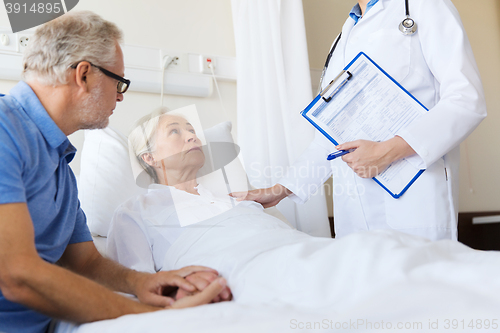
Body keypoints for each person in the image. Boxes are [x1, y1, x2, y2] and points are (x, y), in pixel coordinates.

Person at [0, 12, 229, 333]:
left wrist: (143, 281)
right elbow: (16, 273)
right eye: (118, 81)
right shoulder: (5, 128)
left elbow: (85, 261)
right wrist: (150, 317)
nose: (121, 95)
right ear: (83, 75)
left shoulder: (59, 165)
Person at [231, 0, 487, 241]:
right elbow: (330, 139)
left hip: (414, 199)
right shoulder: (343, 38)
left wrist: (387, 152)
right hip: (353, 214)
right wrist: (279, 190)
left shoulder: (424, 7)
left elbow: (466, 100)